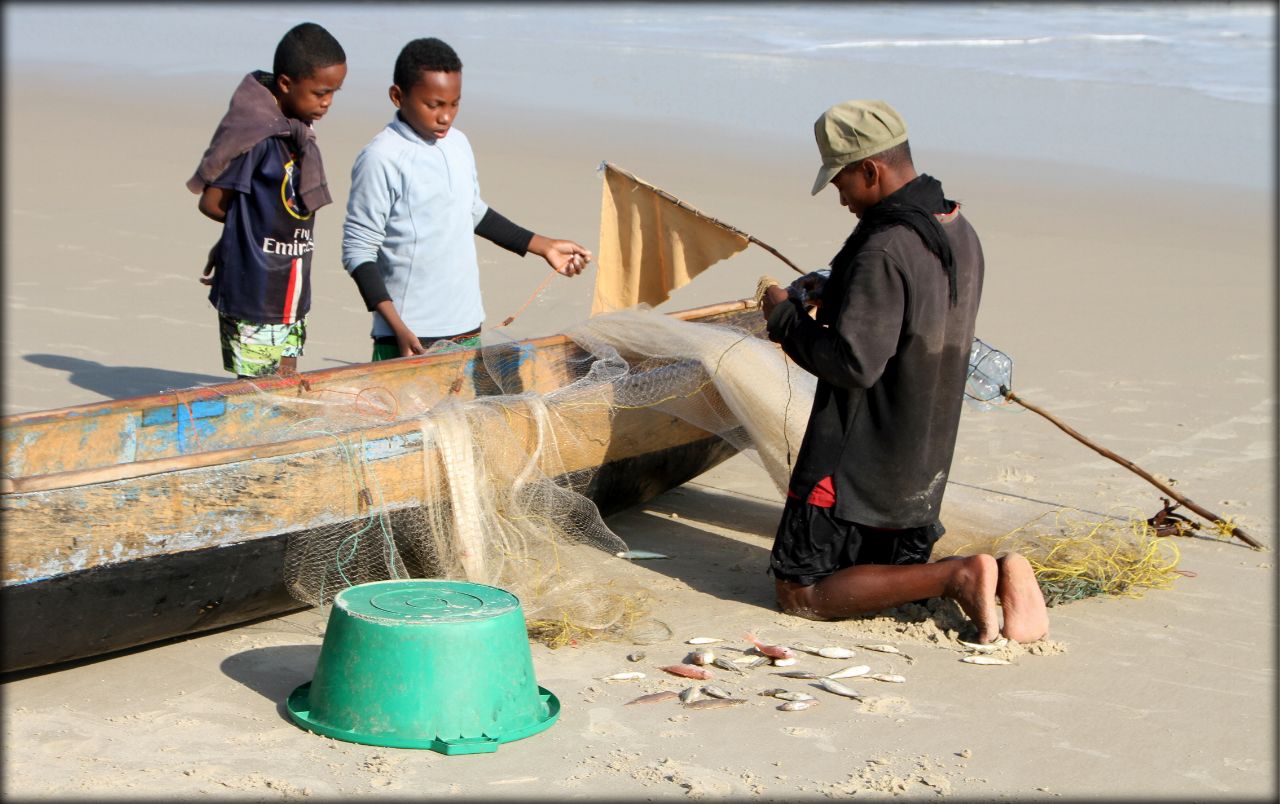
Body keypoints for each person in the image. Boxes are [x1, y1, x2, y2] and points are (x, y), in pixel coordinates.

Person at [759, 100, 1048, 644]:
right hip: (921, 467)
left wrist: (784, 317)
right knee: (885, 572)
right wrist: (835, 288)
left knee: (801, 592)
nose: (841, 199)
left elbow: (853, 363)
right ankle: (1004, 570)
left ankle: (959, 574)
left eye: (842, 182)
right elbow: (909, 312)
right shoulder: (955, 227)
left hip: (853, 467)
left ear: (870, 169)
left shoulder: (883, 245)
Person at [342, 37, 591, 360]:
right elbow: (357, 250)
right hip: (411, 334)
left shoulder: (458, 144)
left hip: (466, 323)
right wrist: (396, 326)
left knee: (460, 412)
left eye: (454, 103)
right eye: (434, 105)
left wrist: (543, 245)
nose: (446, 116)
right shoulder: (381, 158)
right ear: (397, 96)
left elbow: (471, 211)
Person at [188, 22, 347, 379]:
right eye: (320, 93)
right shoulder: (259, 139)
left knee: (286, 376)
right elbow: (212, 203)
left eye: (334, 93)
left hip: (290, 289)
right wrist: (239, 237)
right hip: (256, 293)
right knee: (258, 387)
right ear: (287, 84)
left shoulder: (295, 132)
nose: (327, 102)